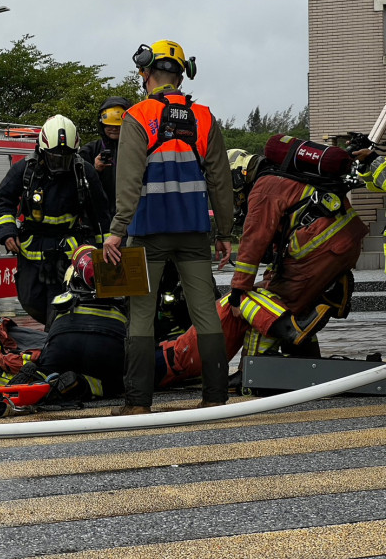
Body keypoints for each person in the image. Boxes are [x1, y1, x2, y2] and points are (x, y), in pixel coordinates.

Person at [158, 148, 368, 386]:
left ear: (237, 175)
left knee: (257, 299)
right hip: (343, 242)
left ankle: (280, 341)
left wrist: (239, 289)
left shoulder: (265, 186)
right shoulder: (288, 179)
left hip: (319, 245)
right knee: (281, 302)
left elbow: (254, 240)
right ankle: (303, 356)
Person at [102, 40, 235, 414]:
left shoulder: (138, 116)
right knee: (205, 312)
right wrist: (224, 233)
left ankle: (138, 403)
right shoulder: (205, 117)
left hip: (147, 233)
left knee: (141, 314)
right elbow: (220, 182)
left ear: (146, 73)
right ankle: (215, 397)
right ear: (181, 74)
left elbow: (128, 180)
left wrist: (117, 229)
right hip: (193, 231)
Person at [0, 114, 111, 327]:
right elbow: (4, 199)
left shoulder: (84, 171)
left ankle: (55, 337)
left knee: (62, 302)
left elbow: (101, 213)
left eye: (65, 158)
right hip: (32, 247)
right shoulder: (25, 169)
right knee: (30, 299)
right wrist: (7, 231)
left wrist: (104, 248)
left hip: (69, 249)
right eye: (54, 157)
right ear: (42, 150)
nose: (60, 163)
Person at [34, 245, 127, 399]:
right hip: (108, 342)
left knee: (48, 373)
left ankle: (41, 376)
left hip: (63, 340)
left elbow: (48, 333)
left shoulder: (67, 291)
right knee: (116, 385)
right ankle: (83, 383)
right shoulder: (122, 280)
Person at [79, 96, 132, 215]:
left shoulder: (137, 149)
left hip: (129, 214)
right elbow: (78, 187)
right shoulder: (89, 151)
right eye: (109, 125)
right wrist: (94, 170)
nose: (113, 129)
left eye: (118, 125)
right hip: (100, 215)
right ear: (102, 125)